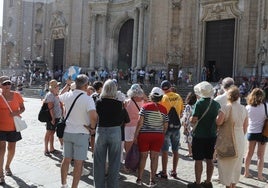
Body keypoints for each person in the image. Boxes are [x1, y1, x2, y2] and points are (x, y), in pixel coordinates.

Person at [59, 74, 97, 188]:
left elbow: (60, 95)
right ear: (86, 85)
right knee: (78, 163)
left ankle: (63, 184)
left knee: (66, 159)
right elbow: (93, 116)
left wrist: (67, 85)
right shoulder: (88, 98)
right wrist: (92, 128)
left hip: (68, 132)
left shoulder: (68, 95)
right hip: (81, 133)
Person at [93, 79, 126, 188]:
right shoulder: (119, 104)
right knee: (115, 162)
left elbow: (95, 117)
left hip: (101, 130)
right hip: (115, 131)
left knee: (99, 161)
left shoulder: (99, 102)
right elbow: (124, 119)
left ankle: (99, 186)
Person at [188, 81, 220, 188]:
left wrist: (190, 118)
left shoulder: (199, 103)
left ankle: (197, 183)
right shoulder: (216, 104)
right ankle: (208, 182)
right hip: (212, 135)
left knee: (198, 160)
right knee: (210, 159)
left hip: (199, 135)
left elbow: (194, 120)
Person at [134, 87, 168, 187]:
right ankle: (152, 180)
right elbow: (165, 125)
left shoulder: (145, 107)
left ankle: (139, 179)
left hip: (144, 135)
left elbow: (140, 122)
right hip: (158, 136)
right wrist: (162, 133)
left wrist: (136, 135)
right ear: (161, 97)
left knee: (143, 157)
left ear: (151, 96)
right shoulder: (164, 109)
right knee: (154, 158)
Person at [216, 86, 248, 188]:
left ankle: (228, 185)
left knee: (227, 164)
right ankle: (233, 185)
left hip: (228, 138)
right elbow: (245, 126)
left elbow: (219, 122)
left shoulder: (226, 107)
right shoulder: (243, 108)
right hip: (240, 139)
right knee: (236, 165)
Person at [0, 76, 25, 184]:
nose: (7, 86)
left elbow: (23, 108)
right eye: (4, 84)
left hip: (14, 127)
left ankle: (7, 166)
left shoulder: (17, 95)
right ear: (0, 85)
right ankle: (0, 173)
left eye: (8, 83)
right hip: (0, 127)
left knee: (12, 149)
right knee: (1, 149)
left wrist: (16, 113)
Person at [156, 80, 184, 179]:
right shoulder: (178, 96)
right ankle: (174, 171)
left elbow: (160, 114)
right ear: (170, 87)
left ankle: (164, 172)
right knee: (176, 150)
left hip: (166, 127)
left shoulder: (163, 98)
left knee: (165, 150)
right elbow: (181, 112)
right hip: (176, 127)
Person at [244, 88, 268, 182]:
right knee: (260, 156)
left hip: (251, 131)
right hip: (263, 133)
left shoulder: (248, 107)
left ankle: (246, 172)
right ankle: (260, 175)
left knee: (249, 154)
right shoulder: (266, 106)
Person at [124, 84, 145, 158]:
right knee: (138, 145)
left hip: (129, 125)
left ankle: (128, 164)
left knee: (128, 146)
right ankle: (136, 164)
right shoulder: (143, 102)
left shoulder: (127, 102)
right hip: (139, 125)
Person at [43, 79, 63, 156]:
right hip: (52, 117)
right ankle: (46, 149)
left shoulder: (54, 94)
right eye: (57, 86)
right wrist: (52, 118)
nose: (58, 87)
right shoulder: (50, 95)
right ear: (54, 87)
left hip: (56, 117)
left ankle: (51, 148)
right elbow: (50, 107)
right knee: (49, 132)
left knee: (52, 133)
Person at [181, 92, 197, 157]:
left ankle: (190, 152)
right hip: (195, 125)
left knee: (189, 140)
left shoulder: (188, 106)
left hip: (189, 125)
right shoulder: (196, 105)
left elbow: (186, 117)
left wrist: (185, 127)